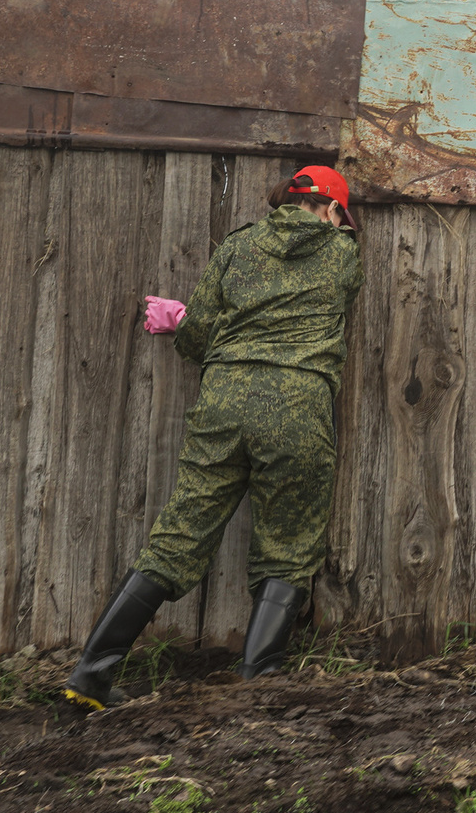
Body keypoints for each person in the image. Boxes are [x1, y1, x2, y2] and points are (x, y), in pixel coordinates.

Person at [63, 165, 364, 708]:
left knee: (179, 533)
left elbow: (197, 332)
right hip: (298, 404)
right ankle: (258, 680)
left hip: (223, 401)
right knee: (289, 544)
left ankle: (91, 674)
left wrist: (196, 326)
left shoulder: (236, 248)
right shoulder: (343, 254)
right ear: (334, 210)